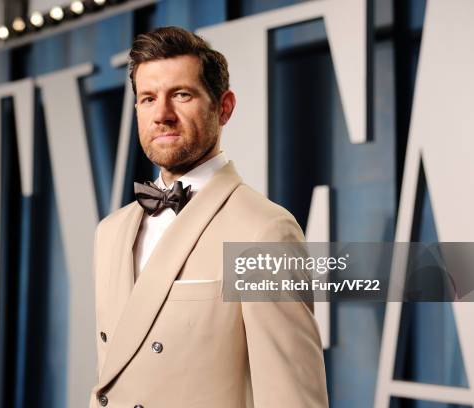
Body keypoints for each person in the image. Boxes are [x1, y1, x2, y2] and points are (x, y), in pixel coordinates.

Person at [90, 26, 328, 408]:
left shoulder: (263, 230)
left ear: (224, 107)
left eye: (181, 95)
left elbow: (292, 398)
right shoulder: (110, 232)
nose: (162, 114)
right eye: (148, 98)